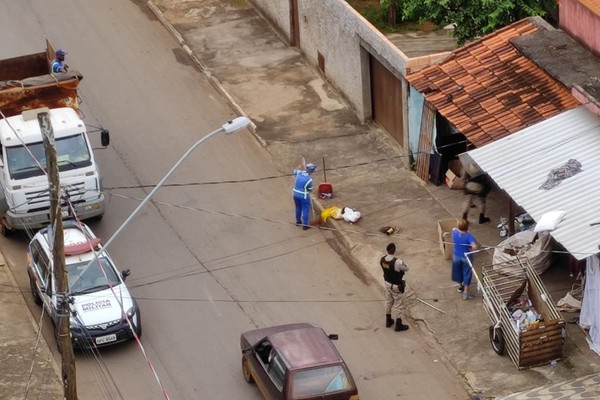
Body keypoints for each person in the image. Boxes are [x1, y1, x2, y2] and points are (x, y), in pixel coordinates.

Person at [380, 242, 409, 331]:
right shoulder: (397, 262)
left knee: (388, 302)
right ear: (394, 250)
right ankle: (398, 325)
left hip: (387, 284)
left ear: (387, 250)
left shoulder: (382, 259)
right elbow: (407, 268)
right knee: (398, 305)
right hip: (396, 286)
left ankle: (388, 320)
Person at [452, 219, 480, 300]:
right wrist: (471, 247)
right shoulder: (469, 236)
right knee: (467, 273)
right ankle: (465, 292)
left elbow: (453, 229)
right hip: (466, 256)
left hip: (456, 255)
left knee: (457, 271)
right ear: (467, 227)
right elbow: (474, 246)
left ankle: (461, 286)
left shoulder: (454, 232)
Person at [292, 162, 316, 230]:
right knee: (305, 210)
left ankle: (298, 221)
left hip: (295, 194)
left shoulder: (299, 173)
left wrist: (300, 167)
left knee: (298, 207)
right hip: (303, 196)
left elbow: (294, 171)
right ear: (312, 171)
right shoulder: (309, 179)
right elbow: (310, 189)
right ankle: (305, 225)